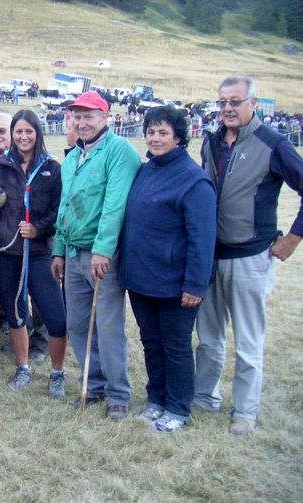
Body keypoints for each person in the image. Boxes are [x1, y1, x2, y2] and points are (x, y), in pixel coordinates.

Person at [193, 76, 303, 436]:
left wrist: (292, 239)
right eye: (223, 101)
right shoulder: (210, 142)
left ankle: (245, 410)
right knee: (208, 337)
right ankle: (204, 396)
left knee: (248, 341)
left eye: (235, 101)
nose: (227, 108)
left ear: (253, 103)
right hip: (211, 256)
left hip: (250, 257)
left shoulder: (273, 144)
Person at [119, 106, 217, 433]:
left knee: (175, 346)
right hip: (141, 279)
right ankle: (156, 399)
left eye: (163, 132)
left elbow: (203, 239)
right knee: (151, 342)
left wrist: (195, 285)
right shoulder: (146, 170)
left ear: (178, 137)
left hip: (175, 285)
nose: (155, 138)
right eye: (151, 131)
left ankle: (177, 407)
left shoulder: (194, 181)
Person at [50, 91, 141, 421]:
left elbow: (115, 205)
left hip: (102, 257)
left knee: (107, 326)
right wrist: (58, 250)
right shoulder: (73, 157)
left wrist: (103, 249)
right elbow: (65, 206)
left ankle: (118, 394)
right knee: (77, 324)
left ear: (105, 117)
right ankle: (94, 385)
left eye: (89, 116)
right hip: (73, 254)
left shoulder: (119, 151)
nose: (82, 122)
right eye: (77, 116)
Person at [0, 110, 67, 396]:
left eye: (29, 131)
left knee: (56, 317)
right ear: (12, 134)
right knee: (15, 315)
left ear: (37, 133)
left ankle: (57, 373)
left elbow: (59, 211)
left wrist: (38, 229)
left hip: (40, 253)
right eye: (18, 131)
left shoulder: (52, 168)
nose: (23, 136)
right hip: (7, 254)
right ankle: (23, 367)